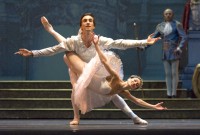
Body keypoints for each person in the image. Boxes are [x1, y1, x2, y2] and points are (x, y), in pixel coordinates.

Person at [15, 13, 160, 125]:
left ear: (94, 26)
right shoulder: (74, 41)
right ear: (81, 25)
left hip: (95, 71)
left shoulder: (99, 39)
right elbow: (54, 49)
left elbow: (120, 43)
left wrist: (144, 41)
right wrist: (33, 53)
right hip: (78, 67)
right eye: (85, 21)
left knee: (113, 92)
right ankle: (76, 117)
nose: (88, 22)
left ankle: (134, 117)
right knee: (70, 63)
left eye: (90, 20)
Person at [152, 9, 187, 98]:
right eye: (166, 14)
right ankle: (169, 93)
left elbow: (184, 37)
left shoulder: (177, 24)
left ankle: (174, 93)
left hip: (175, 50)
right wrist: (143, 45)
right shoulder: (160, 26)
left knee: (174, 72)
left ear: (172, 15)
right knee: (167, 73)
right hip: (165, 50)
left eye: (170, 14)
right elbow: (153, 39)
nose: (168, 15)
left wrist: (179, 47)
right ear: (164, 15)